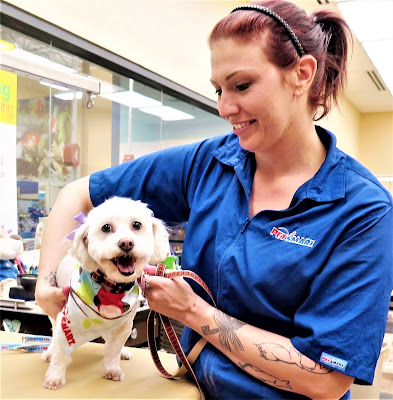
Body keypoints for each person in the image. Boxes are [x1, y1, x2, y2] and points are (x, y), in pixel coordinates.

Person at [36, 1, 393, 398]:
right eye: (219, 89)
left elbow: (325, 380)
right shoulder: (208, 162)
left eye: (241, 86)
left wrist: (193, 312)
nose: (224, 107)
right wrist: (47, 282)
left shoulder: (362, 210)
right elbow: (76, 193)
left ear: (302, 75)